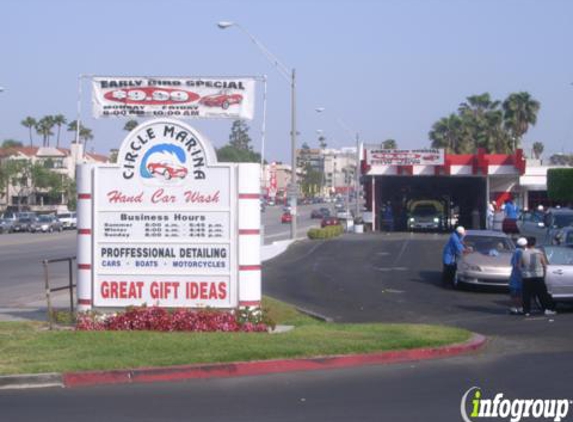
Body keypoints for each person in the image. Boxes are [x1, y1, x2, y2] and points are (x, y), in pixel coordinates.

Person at [520, 236, 556, 316]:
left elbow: (520, 265)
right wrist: (544, 275)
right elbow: (544, 265)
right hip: (538, 276)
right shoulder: (539, 252)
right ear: (534, 243)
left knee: (526, 295)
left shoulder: (523, 253)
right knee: (542, 294)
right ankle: (546, 309)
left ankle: (526, 311)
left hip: (527, 277)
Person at [508, 237, 527, 315]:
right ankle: (519, 307)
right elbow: (516, 264)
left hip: (515, 275)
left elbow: (513, 263)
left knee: (515, 293)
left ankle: (514, 307)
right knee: (519, 293)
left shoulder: (516, 251)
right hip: (520, 275)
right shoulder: (521, 252)